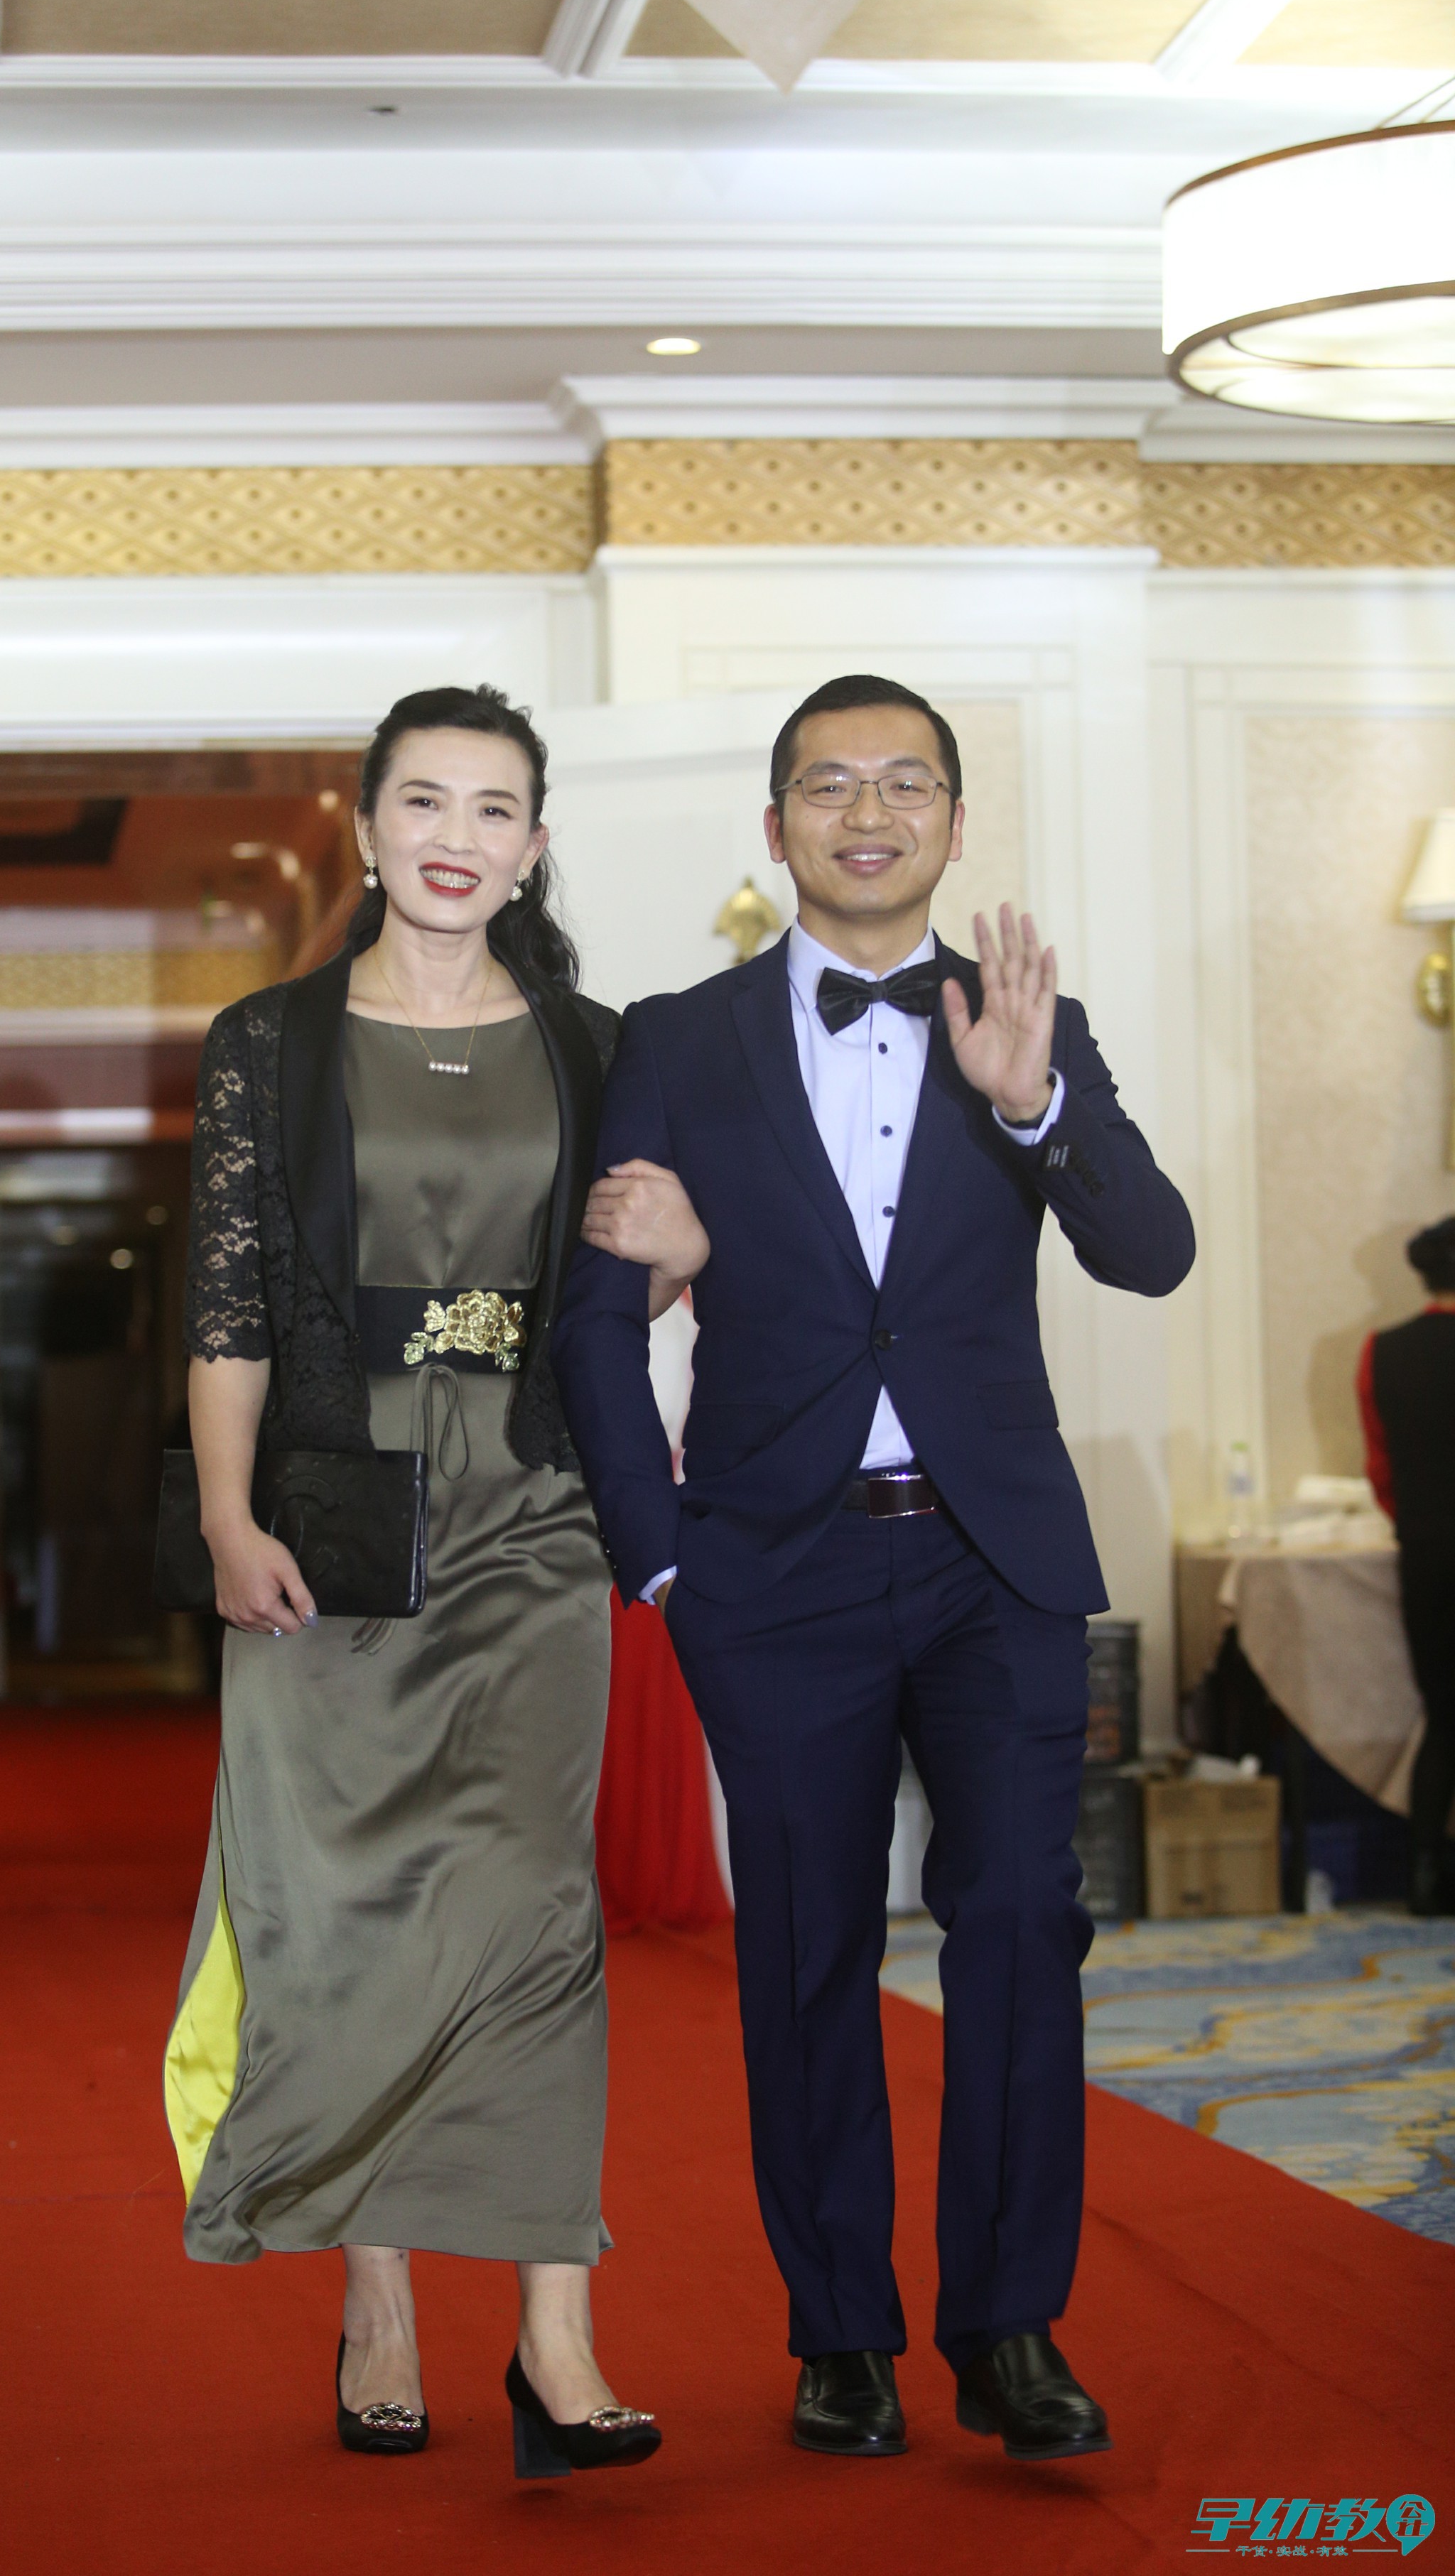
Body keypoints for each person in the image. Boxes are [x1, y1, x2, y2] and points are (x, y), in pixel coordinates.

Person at [556, 672, 1195, 2467]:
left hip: (997, 1563)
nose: (867, 811)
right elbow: (597, 1318)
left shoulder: (1027, 1021)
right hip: (773, 1576)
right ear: (775, 827)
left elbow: (1150, 1251)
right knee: (806, 1952)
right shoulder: (677, 1040)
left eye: (905, 783)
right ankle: (840, 2333)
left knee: (1021, 1928)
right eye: (829, 784)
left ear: (953, 824)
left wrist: (1035, 1103)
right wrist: (658, 1563)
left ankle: (1009, 2326)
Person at [166, 683, 698, 2479]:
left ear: (533, 845)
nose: (456, 837)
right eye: (423, 801)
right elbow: (230, 1303)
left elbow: (622, 1286)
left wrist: (685, 1250)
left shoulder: (597, 1047)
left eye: (493, 809)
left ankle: (557, 2333)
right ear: (368, 827)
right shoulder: (269, 1043)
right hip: (332, 1512)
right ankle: (376, 2297)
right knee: (339, 1910)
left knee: (539, 1905)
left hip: (533, 1507)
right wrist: (228, 1517)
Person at [1357, 1214, 1455, 1917]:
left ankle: (1424, 1875)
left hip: (1426, 1549)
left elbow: (1379, 1468)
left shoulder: (1381, 1352)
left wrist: (1414, 1522)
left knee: (1443, 1714)